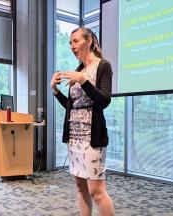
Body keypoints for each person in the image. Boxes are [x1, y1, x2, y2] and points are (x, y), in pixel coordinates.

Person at [50, 27, 115, 216]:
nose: (72, 46)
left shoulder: (103, 66)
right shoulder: (79, 70)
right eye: (70, 42)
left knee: (97, 192)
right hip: (74, 138)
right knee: (80, 188)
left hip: (92, 138)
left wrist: (83, 81)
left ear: (90, 41)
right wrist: (55, 90)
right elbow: (73, 107)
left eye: (76, 41)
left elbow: (104, 101)